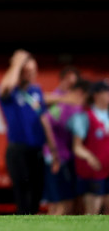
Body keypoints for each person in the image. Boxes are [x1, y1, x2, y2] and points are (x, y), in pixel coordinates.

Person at [0, 49, 60, 215]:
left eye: (34, 70)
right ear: (21, 72)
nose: (33, 74)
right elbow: (6, 87)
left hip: (37, 149)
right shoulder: (11, 91)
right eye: (28, 71)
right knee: (23, 190)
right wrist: (17, 63)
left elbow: (44, 120)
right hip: (17, 149)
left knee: (37, 189)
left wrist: (53, 150)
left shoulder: (36, 91)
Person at [43, 79, 89, 215]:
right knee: (64, 203)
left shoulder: (60, 104)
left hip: (55, 157)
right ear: (81, 93)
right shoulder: (73, 109)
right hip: (58, 158)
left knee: (58, 204)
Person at [72, 80, 109, 214]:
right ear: (97, 95)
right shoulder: (85, 116)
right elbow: (77, 146)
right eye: (107, 92)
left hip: (107, 169)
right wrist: (90, 157)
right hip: (93, 172)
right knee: (93, 211)